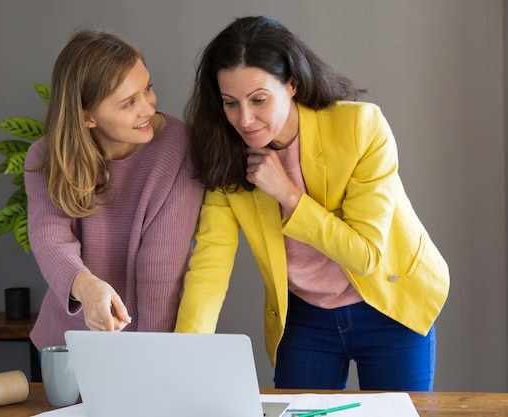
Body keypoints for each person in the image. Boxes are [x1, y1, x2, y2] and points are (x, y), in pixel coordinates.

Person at [175, 16, 449, 391]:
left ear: (292, 84)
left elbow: (365, 255)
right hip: (305, 316)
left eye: (259, 100)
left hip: (389, 303)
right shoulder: (226, 155)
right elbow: (209, 268)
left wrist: (288, 195)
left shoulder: (361, 127)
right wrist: (185, 356)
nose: (245, 119)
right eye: (230, 103)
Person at [26, 29, 203, 350]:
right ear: (87, 117)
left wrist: (153, 360)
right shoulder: (45, 157)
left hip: (147, 345)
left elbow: (160, 272)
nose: (148, 108)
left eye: (147, 88)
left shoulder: (183, 149)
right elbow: (50, 239)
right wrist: (87, 287)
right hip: (65, 345)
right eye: (128, 103)